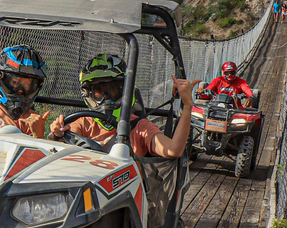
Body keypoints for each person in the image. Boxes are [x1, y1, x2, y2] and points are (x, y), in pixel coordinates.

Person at [49, 54, 200, 158]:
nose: (106, 97)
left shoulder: (139, 127)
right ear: (88, 94)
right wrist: (58, 133)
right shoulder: (84, 123)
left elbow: (173, 150)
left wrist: (187, 106)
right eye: (99, 91)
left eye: (112, 90)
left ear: (124, 90)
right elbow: (59, 152)